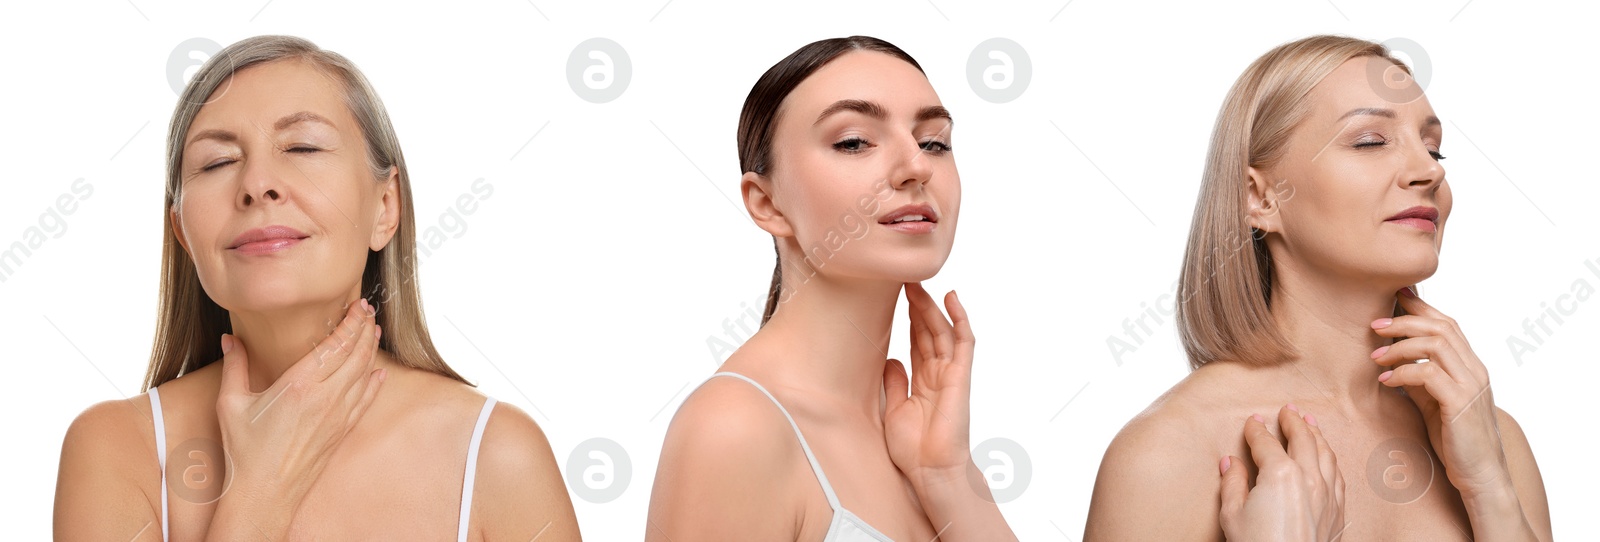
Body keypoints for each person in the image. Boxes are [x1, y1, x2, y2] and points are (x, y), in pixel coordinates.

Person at [53, 35, 579, 541]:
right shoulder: (115, 450)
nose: (258, 184)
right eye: (218, 162)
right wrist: (262, 489)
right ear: (183, 235)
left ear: (386, 207)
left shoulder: (497, 455)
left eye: (302, 147)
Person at [1085, 35, 1551, 541]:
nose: (1429, 170)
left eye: (1435, 149)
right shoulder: (1168, 453)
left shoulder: (1491, 440)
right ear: (1259, 198)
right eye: (1370, 141)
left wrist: (1489, 489)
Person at [645, 36, 1016, 541]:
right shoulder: (734, 428)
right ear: (766, 203)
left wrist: (947, 475)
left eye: (933, 141)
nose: (918, 166)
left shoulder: (923, 437)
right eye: (854, 142)